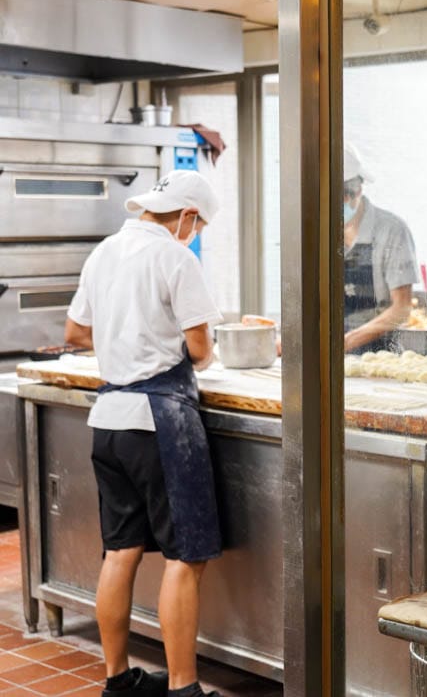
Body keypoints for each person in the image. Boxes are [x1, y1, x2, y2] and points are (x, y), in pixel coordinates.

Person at [64, 170, 225, 697]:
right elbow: (200, 350)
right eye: (197, 223)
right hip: (159, 421)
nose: (194, 232)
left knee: (121, 551)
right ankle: (184, 688)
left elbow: (75, 332)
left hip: (109, 419)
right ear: (185, 216)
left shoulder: (104, 252)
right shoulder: (177, 257)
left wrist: (125, 343)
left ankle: (118, 681)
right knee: (185, 557)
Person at [342, 143, 419, 353]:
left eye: (339, 197)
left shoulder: (391, 231)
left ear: (356, 192)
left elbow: (402, 308)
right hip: (328, 356)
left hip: (380, 354)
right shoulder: (320, 233)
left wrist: (345, 342)